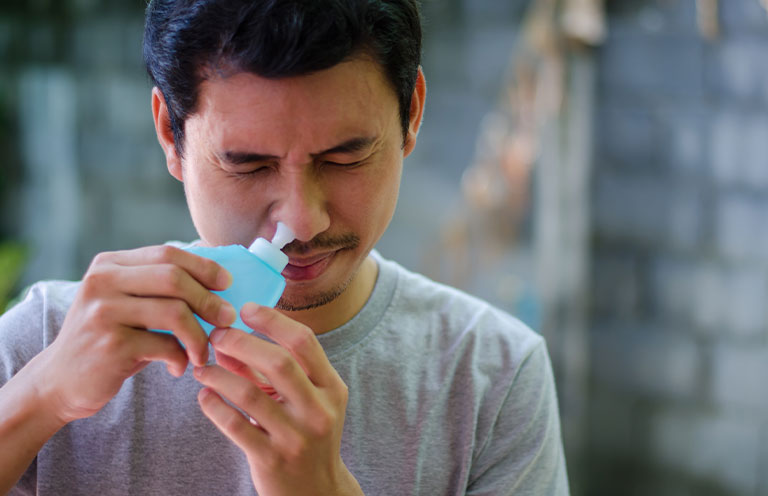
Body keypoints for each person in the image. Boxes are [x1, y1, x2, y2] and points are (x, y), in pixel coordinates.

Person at [0, 1, 570, 494]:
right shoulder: (45, 340)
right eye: (248, 165)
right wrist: (39, 399)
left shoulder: (491, 376)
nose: (299, 220)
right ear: (171, 135)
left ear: (412, 113)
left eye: (344, 157)